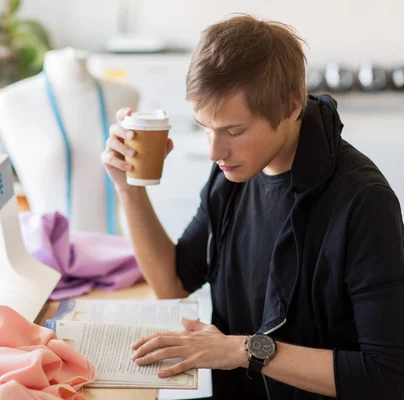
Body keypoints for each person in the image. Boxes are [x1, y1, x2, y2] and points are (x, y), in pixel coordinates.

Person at [101, 14, 404, 400]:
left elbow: (387, 376)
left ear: (291, 107)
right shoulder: (233, 176)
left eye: (233, 130)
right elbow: (172, 283)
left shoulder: (363, 201)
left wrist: (242, 350)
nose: (215, 151)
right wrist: (128, 189)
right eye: (205, 127)